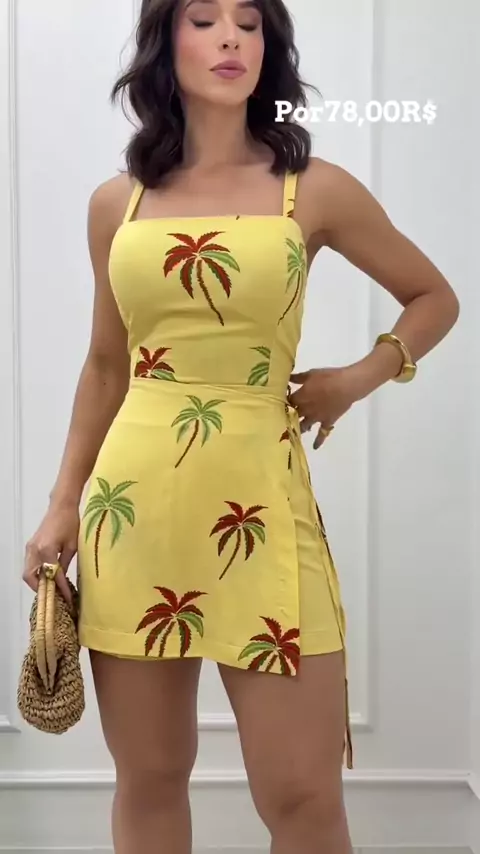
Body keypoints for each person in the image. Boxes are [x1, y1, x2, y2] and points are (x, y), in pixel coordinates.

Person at [22, 0, 459, 852]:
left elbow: (433, 297)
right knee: (149, 779)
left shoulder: (314, 188)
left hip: (262, 511)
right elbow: (107, 365)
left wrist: (355, 380)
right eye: (204, 19)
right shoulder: (117, 203)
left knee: (302, 797)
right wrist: (62, 504)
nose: (230, 36)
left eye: (250, 23)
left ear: (269, 48)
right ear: (165, 44)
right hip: (133, 516)